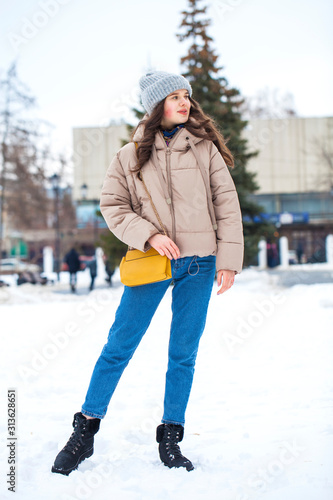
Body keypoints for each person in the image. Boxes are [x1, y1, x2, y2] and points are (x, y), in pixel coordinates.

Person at [51, 71, 244, 475]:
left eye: (186, 95)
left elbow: (226, 204)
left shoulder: (204, 149)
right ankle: (84, 430)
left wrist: (228, 259)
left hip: (199, 262)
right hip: (153, 262)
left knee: (183, 355)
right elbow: (113, 206)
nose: (184, 102)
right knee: (119, 346)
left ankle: (171, 437)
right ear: (156, 106)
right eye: (174, 96)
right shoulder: (130, 154)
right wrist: (150, 236)